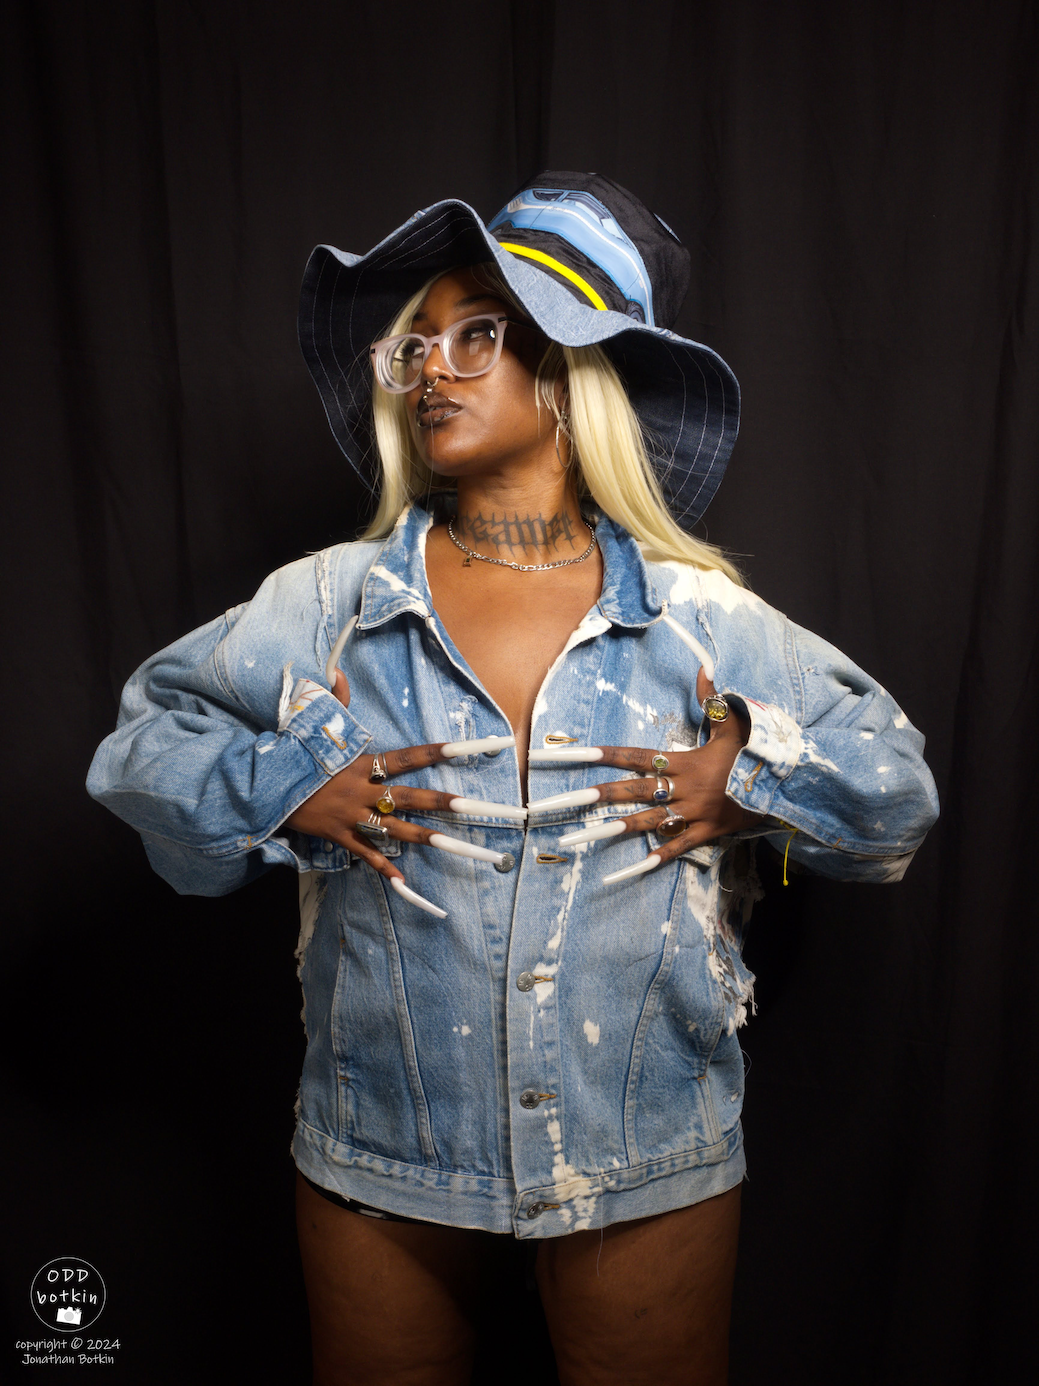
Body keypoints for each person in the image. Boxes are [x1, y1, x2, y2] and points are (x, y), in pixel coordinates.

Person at [87, 172, 939, 1386]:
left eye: (477, 334)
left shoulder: (698, 616)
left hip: (644, 1146)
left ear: (571, 374)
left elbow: (895, 790)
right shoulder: (330, 603)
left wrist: (749, 781)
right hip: (383, 1144)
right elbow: (141, 747)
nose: (432, 369)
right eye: (416, 345)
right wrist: (285, 785)